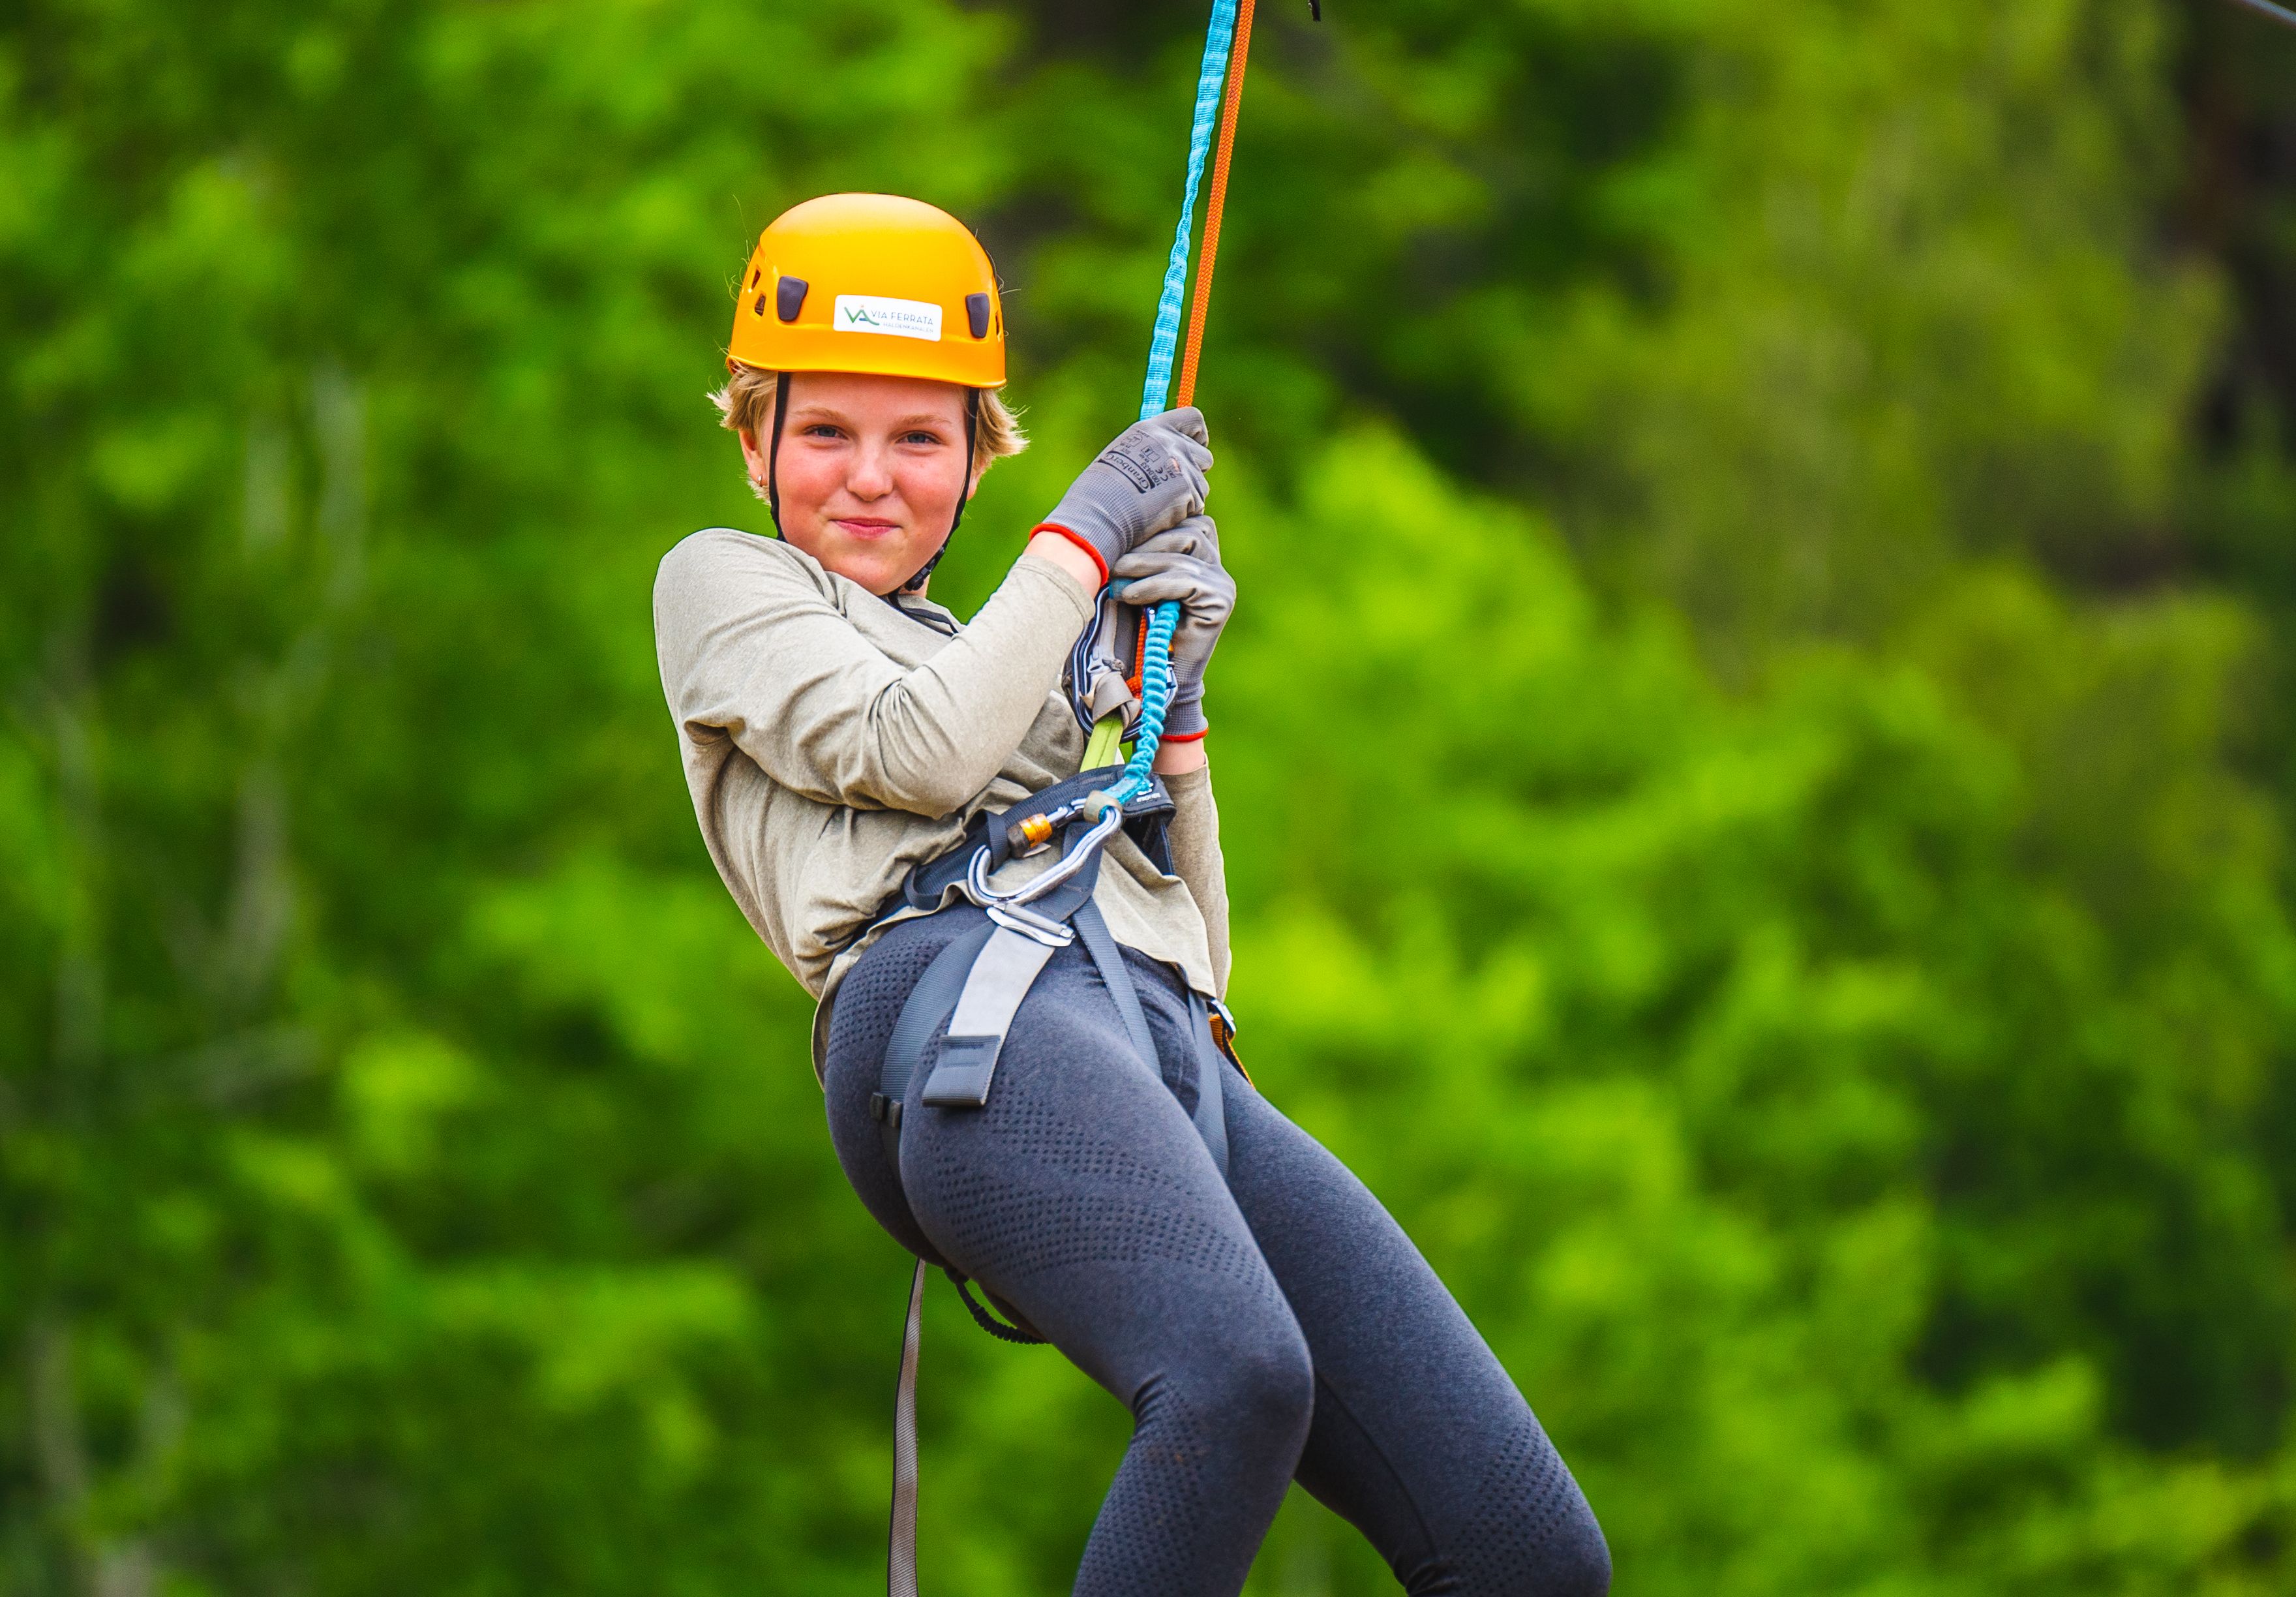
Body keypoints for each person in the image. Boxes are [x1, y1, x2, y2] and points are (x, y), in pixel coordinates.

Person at [654, 192, 1611, 1597]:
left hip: (1140, 1031)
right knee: (1233, 1376)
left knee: (1528, 1551)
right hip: (956, 1016)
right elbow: (915, 746)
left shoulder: (996, 651)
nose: (870, 476)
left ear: (974, 459)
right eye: (825, 433)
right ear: (754, 441)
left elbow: (1197, 956)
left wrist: (1175, 720)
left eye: (919, 436)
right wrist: (1087, 536)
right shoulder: (728, 589)